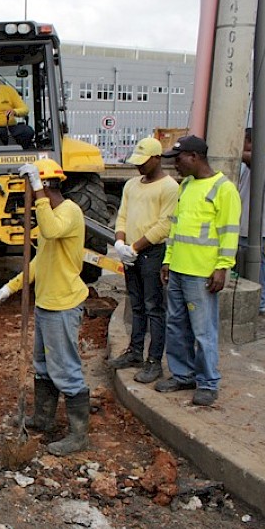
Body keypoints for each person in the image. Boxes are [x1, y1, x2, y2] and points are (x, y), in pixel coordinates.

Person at [0, 158, 90, 456]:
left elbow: (50, 229)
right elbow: (38, 263)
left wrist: (38, 192)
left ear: (45, 186)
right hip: (46, 303)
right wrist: (9, 288)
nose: (29, 202)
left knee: (66, 368)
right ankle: (44, 419)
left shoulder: (69, 212)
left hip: (64, 303)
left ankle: (79, 435)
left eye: (31, 192)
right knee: (44, 366)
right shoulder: (51, 214)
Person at [156, 135, 241, 407]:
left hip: (201, 274)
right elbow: (177, 226)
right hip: (179, 269)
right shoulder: (187, 186)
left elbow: (229, 233)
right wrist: (168, 259)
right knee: (176, 325)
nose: (174, 166)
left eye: (178, 159)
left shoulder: (224, 190)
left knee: (203, 330)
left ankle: (207, 382)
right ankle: (183, 374)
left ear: (194, 157)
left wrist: (222, 267)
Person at [108, 137, 179, 384]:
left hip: (151, 254)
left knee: (154, 308)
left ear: (157, 158)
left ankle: (154, 361)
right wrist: (119, 243)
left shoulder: (169, 187)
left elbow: (164, 225)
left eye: (143, 162)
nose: (139, 167)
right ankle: (135, 352)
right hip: (132, 253)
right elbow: (123, 215)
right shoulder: (131, 185)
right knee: (136, 304)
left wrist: (135, 247)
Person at [237, 127, 265, 315]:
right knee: (254, 260)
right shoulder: (259, 160)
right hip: (252, 222)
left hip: (257, 223)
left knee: (255, 261)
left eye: (243, 142)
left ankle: (259, 301)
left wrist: (229, 148)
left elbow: (246, 156)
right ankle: (258, 300)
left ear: (251, 142)